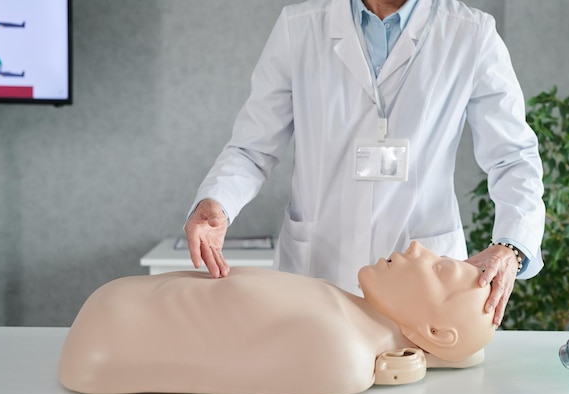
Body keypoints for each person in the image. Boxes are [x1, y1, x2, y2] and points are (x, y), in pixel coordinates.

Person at [184, 0, 545, 328]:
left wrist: (512, 246)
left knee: (419, 393)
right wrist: (216, 201)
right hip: (319, 270)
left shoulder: (470, 32)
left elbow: (513, 156)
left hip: (425, 285)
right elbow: (252, 147)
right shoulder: (300, 27)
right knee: (315, 381)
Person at [58, 242, 495, 394]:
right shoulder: (342, 315)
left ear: (435, 332)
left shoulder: (341, 353)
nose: (419, 247)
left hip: (106, 336)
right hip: (112, 320)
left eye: (440, 269)